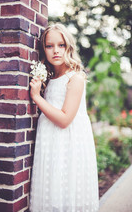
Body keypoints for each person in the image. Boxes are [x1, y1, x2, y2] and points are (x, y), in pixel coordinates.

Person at [29, 23, 99, 212]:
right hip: (50, 141)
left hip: (67, 142)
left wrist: (36, 97)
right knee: (50, 191)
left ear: (69, 47)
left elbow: (64, 120)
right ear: (43, 49)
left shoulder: (75, 78)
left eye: (61, 45)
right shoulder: (50, 78)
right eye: (49, 46)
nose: (56, 51)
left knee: (64, 189)